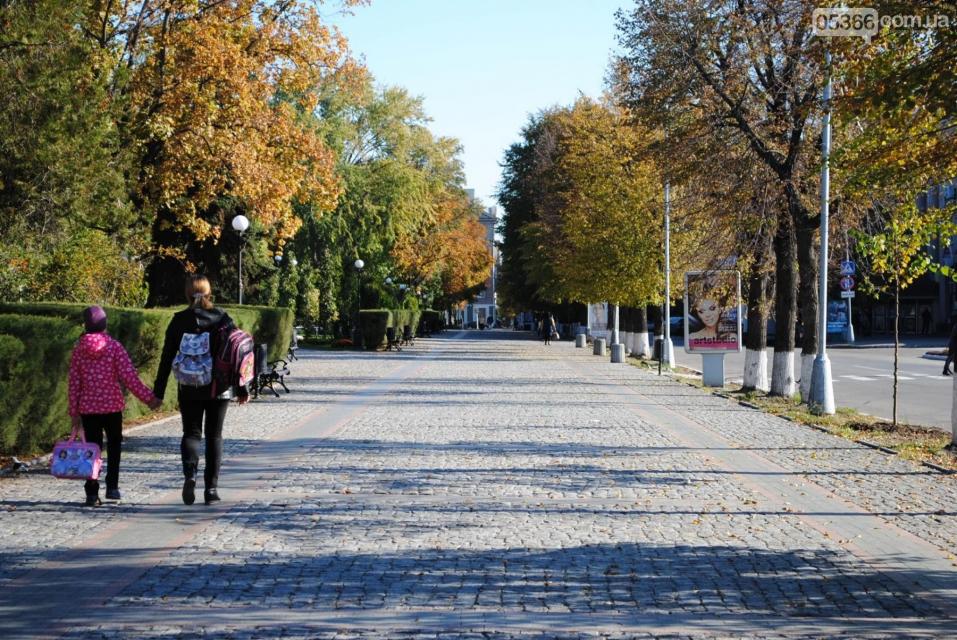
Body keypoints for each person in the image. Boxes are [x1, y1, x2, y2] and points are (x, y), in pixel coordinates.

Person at [154, 275, 248, 506]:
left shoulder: (178, 321)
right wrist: (242, 386)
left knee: (191, 433)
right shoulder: (222, 319)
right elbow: (236, 353)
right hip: (219, 387)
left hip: (189, 385)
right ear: (209, 293)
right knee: (215, 436)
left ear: (187, 294)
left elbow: (166, 358)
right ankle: (212, 490)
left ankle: (190, 475)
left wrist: (158, 392)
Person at [68, 305, 160, 506]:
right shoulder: (114, 347)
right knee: (115, 446)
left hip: (88, 408)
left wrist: (73, 412)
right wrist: (149, 399)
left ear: (86, 325)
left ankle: (92, 492)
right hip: (112, 407)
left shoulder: (78, 350)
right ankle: (112, 487)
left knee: (92, 449)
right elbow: (130, 378)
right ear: (104, 324)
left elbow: (74, 382)